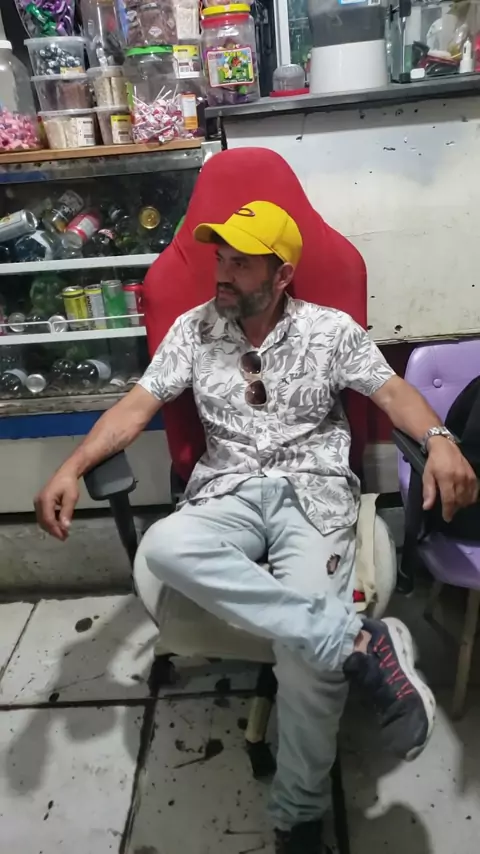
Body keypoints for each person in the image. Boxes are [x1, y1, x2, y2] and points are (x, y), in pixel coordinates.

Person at [35, 201, 478, 854]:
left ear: (282, 274)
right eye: (221, 258)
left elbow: (391, 393)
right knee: (163, 546)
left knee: (306, 662)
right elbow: (135, 407)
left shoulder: (330, 330)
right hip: (228, 492)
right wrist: (73, 466)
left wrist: (439, 439)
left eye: (242, 263)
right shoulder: (194, 329)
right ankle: (356, 642)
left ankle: (298, 815)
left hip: (313, 495)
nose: (223, 273)